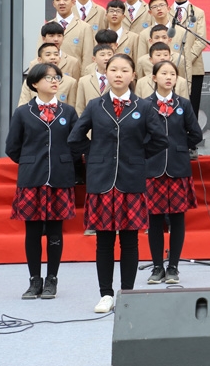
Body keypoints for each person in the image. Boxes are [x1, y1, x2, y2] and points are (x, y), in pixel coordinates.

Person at [68, 53, 168, 314]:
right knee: (103, 241)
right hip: (101, 180)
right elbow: (75, 138)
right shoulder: (95, 105)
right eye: (113, 69)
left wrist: (137, 155)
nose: (119, 74)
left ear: (133, 75)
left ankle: (128, 293)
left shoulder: (143, 106)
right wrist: (95, 154)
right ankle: (105, 294)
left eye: (124, 70)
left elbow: (160, 140)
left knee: (130, 240)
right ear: (106, 73)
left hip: (130, 178)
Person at [6, 63, 80, 299]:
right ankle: (34, 280)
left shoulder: (68, 112)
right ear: (35, 83)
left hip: (60, 176)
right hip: (32, 177)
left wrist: (63, 160)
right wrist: (31, 161)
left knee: (56, 231)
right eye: (48, 78)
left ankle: (52, 280)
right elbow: (12, 147)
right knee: (33, 231)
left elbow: (76, 144)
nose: (54, 81)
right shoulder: (22, 112)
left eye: (56, 77)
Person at [144, 60, 203, 285]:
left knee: (178, 219)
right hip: (153, 168)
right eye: (164, 73)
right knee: (154, 220)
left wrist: (178, 146)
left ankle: (173, 267)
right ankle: (157, 267)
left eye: (172, 74)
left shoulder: (183, 104)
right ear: (154, 78)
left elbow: (195, 134)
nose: (168, 77)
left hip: (178, 167)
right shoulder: (145, 104)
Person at [170, 0, 208, 114]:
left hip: (193, 66)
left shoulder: (198, 12)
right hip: (170, 66)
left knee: (192, 108)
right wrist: (174, 60)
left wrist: (186, 60)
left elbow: (201, 39)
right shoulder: (166, 12)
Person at [18, 42, 79, 110]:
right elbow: (23, 107)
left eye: (56, 54)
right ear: (39, 59)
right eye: (48, 55)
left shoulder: (70, 82)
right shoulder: (32, 80)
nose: (53, 57)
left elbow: (72, 109)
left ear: (60, 58)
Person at [47, 0, 95, 68]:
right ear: (53, 4)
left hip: (74, 74)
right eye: (58, 0)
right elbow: (40, 55)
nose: (61, 3)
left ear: (73, 2)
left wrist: (84, 76)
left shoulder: (85, 27)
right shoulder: (46, 27)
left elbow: (87, 58)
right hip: (51, 74)